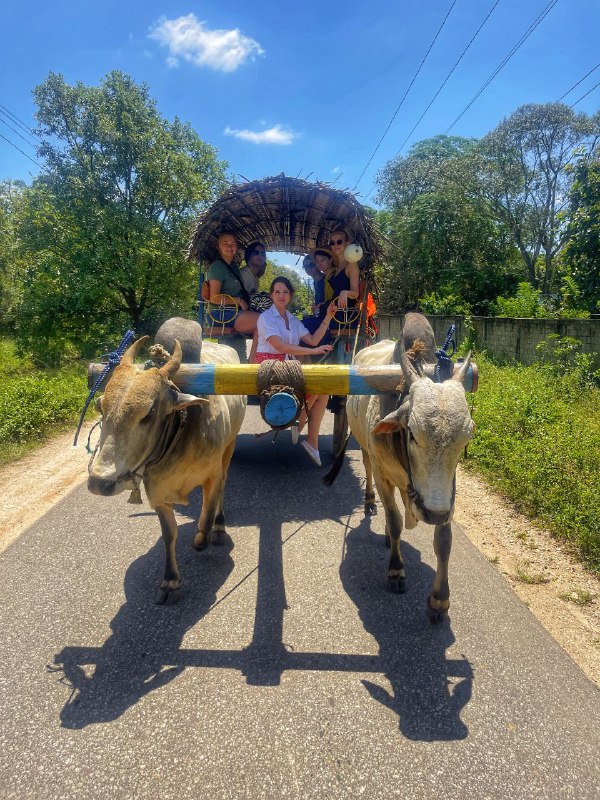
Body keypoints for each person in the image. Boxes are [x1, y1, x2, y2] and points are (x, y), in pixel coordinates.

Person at [256, 276, 336, 467]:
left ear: (290, 295)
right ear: (271, 295)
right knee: (316, 384)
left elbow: (314, 340)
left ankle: (311, 441)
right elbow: (280, 346)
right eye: (277, 292)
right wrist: (312, 352)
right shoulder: (266, 317)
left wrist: (328, 316)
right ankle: (299, 421)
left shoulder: (293, 320)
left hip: (289, 365)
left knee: (323, 389)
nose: (281, 296)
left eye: (285, 292)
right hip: (269, 365)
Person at [207, 231, 259, 335]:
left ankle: (257, 352)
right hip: (221, 314)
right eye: (225, 243)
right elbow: (214, 298)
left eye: (233, 244)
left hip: (235, 311)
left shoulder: (234, 267)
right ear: (218, 246)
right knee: (266, 321)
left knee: (264, 325)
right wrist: (239, 301)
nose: (230, 247)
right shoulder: (217, 267)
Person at [327, 228, 360, 310]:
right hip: (333, 312)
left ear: (347, 244)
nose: (335, 245)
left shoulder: (351, 264)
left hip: (344, 315)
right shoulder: (338, 266)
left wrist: (345, 292)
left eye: (339, 242)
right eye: (332, 243)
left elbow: (355, 293)